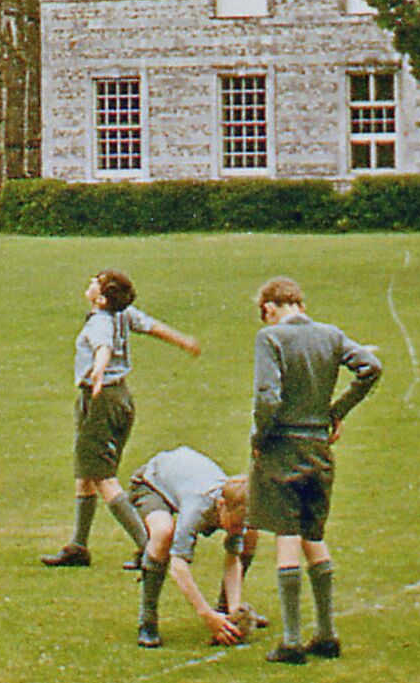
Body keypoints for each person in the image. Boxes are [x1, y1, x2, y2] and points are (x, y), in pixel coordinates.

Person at [250, 276, 382, 665]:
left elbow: (267, 397)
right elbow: (371, 367)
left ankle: (291, 640)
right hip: (319, 448)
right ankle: (326, 633)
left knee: (287, 536)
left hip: (283, 447)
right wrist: (336, 411)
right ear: (300, 304)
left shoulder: (270, 339)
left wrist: (260, 436)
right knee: (313, 534)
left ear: (271, 308)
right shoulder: (332, 334)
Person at [40, 269, 201, 567]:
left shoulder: (100, 322)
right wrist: (182, 341)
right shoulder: (123, 314)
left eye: (95, 282)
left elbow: (103, 348)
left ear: (100, 299)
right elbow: (152, 327)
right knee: (85, 472)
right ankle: (79, 545)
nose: (89, 282)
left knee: (102, 477)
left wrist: (99, 371)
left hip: (101, 399)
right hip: (119, 398)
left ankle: (149, 548)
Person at [127, 445, 258, 649]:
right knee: (163, 533)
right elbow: (178, 566)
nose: (236, 529)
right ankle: (147, 621)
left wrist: (235, 612)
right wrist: (206, 614)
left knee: (251, 536)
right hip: (150, 483)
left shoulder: (237, 508)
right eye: (234, 524)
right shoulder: (197, 507)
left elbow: (233, 561)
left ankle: (225, 611)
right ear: (221, 504)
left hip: (182, 481)